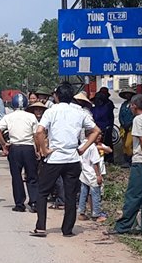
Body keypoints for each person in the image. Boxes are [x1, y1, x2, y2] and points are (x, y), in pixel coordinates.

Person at [32, 83, 100, 237]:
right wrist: (83, 147)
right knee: (70, 194)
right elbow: (96, 131)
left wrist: (44, 150)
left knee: (42, 192)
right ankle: (67, 229)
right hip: (73, 158)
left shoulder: (51, 111)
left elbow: (39, 132)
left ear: (56, 96)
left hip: (55, 158)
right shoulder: (79, 112)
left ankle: (41, 227)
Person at [109, 94, 142, 235]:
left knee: (133, 195)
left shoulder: (138, 120)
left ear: (134, 106)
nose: (130, 107)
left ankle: (123, 226)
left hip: (141, 161)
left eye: (131, 105)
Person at [0, 93, 40, 212]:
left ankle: (19, 204)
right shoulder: (31, 117)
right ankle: (34, 202)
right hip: (29, 148)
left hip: (15, 148)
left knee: (16, 177)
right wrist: (38, 149)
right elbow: (36, 135)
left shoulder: (9, 117)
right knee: (32, 176)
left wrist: (4, 145)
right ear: (26, 103)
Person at [78, 126, 106, 223]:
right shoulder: (92, 147)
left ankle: (81, 212)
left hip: (84, 172)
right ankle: (96, 214)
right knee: (95, 193)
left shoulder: (82, 145)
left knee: (84, 193)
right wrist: (98, 175)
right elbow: (95, 163)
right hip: (92, 173)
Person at [91, 87, 115, 163]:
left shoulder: (108, 105)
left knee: (106, 143)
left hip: (106, 128)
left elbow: (110, 117)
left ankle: (108, 159)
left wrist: (109, 127)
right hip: (96, 129)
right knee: (98, 144)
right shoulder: (94, 108)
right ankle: (100, 159)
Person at [117, 89, 134, 167]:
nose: (127, 95)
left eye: (129, 94)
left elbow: (134, 115)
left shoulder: (134, 104)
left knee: (128, 144)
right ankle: (126, 160)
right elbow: (120, 115)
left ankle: (131, 160)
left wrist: (129, 123)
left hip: (131, 127)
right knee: (124, 144)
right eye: (126, 94)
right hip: (123, 128)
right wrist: (123, 123)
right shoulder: (124, 104)